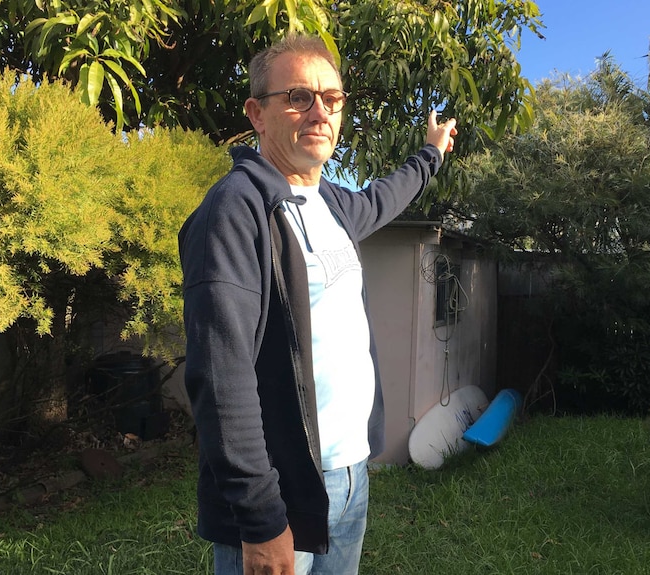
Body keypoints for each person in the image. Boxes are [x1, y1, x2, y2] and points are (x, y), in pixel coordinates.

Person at [178, 34, 457, 575]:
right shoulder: (236, 211)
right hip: (285, 489)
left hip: (350, 474)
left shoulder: (331, 203)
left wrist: (431, 153)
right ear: (257, 114)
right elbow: (220, 376)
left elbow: (387, 194)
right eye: (299, 96)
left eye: (332, 99)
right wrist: (260, 519)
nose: (319, 111)